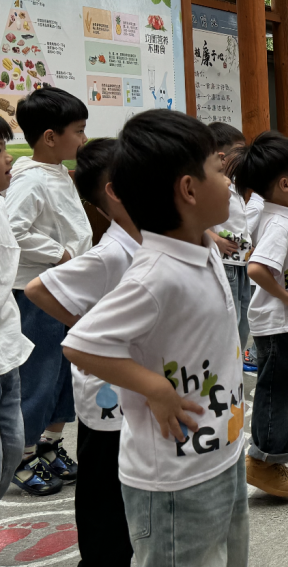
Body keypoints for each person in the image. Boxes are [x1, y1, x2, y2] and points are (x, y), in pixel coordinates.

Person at [62, 109, 248, 566]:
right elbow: (80, 342)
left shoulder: (200, 248)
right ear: (188, 189)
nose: (229, 182)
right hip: (173, 480)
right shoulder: (156, 274)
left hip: (220, 452)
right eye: (219, 171)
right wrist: (154, 388)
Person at [25, 138, 139, 562]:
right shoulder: (110, 252)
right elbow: (39, 289)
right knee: (104, 484)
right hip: (107, 392)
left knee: (128, 479)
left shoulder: (144, 242)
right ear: (116, 190)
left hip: (135, 382)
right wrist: (92, 328)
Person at [8, 87, 92, 495]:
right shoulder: (30, 180)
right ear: (49, 136)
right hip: (36, 293)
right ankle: (21, 457)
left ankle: (49, 444)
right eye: (78, 130)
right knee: (38, 375)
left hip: (65, 290)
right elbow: (13, 230)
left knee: (63, 375)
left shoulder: (57, 172)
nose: (83, 139)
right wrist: (58, 254)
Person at [235, 132, 288, 499]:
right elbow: (256, 268)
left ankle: (268, 457)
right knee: (282, 389)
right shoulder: (280, 224)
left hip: (285, 323)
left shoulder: (286, 214)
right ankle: (264, 460)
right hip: (279, 323)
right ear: (285, 184)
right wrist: (286, 296)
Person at [0, 117, 34, 503]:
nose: (9, 158)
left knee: (10, 447)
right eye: (1, 151)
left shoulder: (2, 201)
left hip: (7, 349)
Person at [207, 122, 256, 371]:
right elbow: (194, 218)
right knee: (232, 317)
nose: (244, 156)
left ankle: (234, 364)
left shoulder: (235, 182)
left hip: (242, 261)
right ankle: (226, 367)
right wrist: (215, 240)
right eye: (240, 151)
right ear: (221, 155)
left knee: (244, 318)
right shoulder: (212, 183)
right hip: (226, 262)